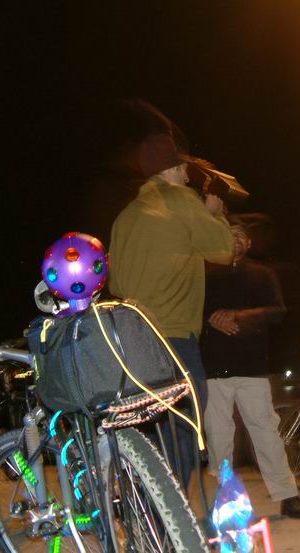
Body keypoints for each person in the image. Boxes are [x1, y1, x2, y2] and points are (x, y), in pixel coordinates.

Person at [108, 101, 234, 488]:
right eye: (183, 168)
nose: (188, 175)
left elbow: (115, 285)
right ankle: (171, 512)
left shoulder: (126, 216)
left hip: (132, 342)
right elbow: (224, 249)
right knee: (185, 426)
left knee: (152, 431)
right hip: (174, 339)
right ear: (172, 169)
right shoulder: (182, 201)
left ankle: (145, 503)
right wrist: (214, 211)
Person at [201, 223, 300, 519]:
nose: (235, 240)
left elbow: (277, 311)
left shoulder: (262, 274)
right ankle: (225, 496)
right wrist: (212, 319)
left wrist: (239, 316)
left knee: (265, 432)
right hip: (213, 366)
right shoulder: (205, 273)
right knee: (218, 435)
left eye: (240, 235)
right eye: (229, 235)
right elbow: (191, 310)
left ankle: (287, 495)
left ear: (249, 243)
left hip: (252, 366)